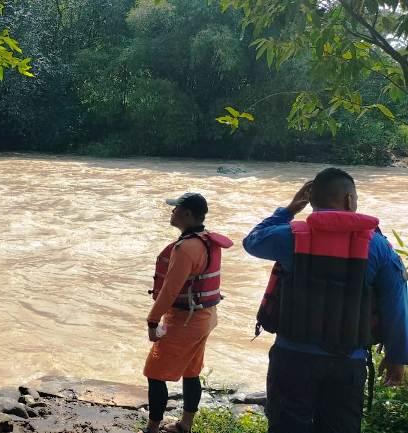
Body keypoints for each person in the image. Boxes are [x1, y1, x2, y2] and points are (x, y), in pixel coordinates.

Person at [244, 167, 408, 433]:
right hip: (347, 361)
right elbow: (396, 302)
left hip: (292, 358)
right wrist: (397, 356)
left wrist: (287, 210)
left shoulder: (290, 237)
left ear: (310, 200)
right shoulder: (377, 246)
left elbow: (252, 241)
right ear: (349, 200)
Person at [143, 193, 233, 433]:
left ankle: (152, 428)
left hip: (185, 321)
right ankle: (186, 425)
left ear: (187, 214)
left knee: (154, 372)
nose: (172, 212)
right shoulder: (206, 240)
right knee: (191, 371)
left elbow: (170, 291)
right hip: (205, 316)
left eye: (176, 209)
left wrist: (152, 321)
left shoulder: (185, 248)